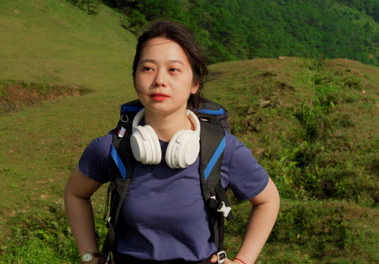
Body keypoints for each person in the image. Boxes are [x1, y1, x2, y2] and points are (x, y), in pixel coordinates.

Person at [65, 20, 280, 264]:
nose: (159, 80)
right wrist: (89, 256)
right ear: (135, 77)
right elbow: (75, 194)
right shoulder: (112, 148)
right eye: (148, 68)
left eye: (174, 69)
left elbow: (268, 200)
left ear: (194, 83)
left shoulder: (221, 149)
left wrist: (243, 261)